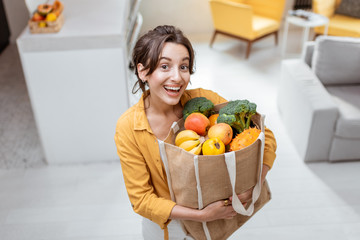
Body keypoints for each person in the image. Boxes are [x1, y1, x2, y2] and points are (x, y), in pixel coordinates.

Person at [114, 25, 277, 240]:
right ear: (143, 71)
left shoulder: (204, 99)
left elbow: (266, 137)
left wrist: (256, 179)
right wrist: (201, 215)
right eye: (165, 66)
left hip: (218, 223)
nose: (177, 77)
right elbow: (142, 199)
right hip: (166, 229)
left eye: (184, 66)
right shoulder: (128, 128)